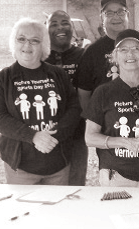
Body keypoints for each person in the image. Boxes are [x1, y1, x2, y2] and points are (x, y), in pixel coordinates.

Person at [0, 18, 81, 185]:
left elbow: (74, 109)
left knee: (57, 210)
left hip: (58, 162)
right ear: (13, 43)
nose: (27, 45)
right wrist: (34, 136)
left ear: (43, 46)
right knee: (25, 211)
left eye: (35, 40)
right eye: (21, 39)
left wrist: (53, 136)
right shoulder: (2, 79)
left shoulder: (58, 74)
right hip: (20, 166)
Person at [84, 29, 139, 187]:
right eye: (123, 50)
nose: (130, 54)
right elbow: (89, 137)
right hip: (115, 175)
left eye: (136, 49)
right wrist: (124, 142)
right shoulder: (103, 92)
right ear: (115, 57)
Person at [76, 0, 139, 112]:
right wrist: (94, 122)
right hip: (107, 124)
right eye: (109, 13)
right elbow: (83, 94)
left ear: (127, 14)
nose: (116, 17)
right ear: (102, 17)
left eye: (120, 12)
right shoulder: (92, 52)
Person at [44, 10, 87, 186]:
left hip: (77, 134)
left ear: (72, 28)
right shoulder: (39, 58)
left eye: (65, 23)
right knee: (49, 188)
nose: (60, 27)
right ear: (46, 29)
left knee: (75, 186)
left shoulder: (84, 56)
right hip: (47, 133)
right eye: (53, 24)